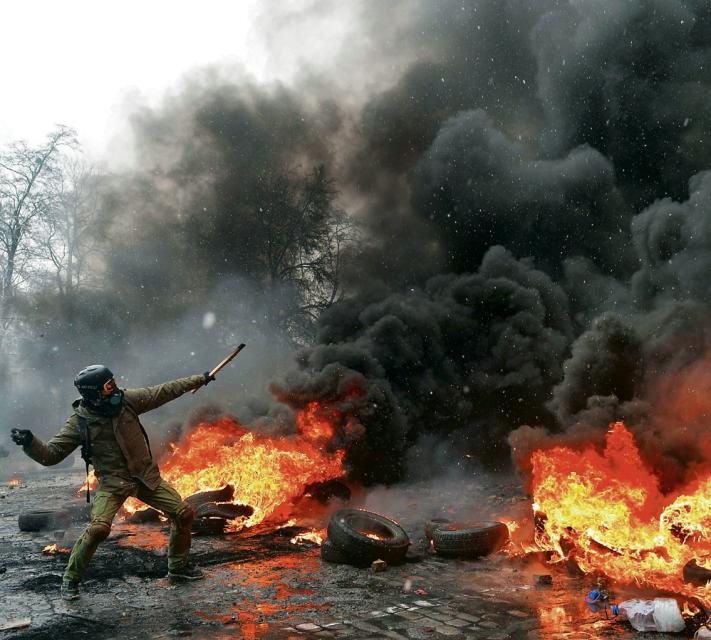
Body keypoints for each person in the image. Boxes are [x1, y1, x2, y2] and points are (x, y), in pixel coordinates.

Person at [10, 365, 216, 601]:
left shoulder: (127, 401)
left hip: (143, 476)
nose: (115, 389)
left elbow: (163, 391)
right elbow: (51, 455)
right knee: (98, 529)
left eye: (113, 382)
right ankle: (70, 580)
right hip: (112, 484)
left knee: (183, 513)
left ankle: (178, 568)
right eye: (108, 386)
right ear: (93, 393)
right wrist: (30, 443)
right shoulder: (79, 423)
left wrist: (199, 379)